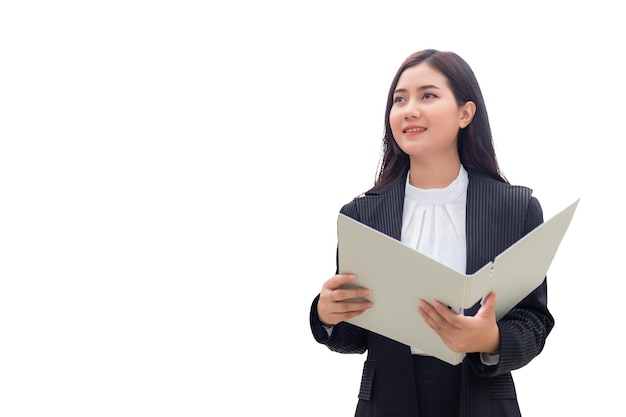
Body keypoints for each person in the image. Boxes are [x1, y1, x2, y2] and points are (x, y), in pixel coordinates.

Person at [309, 49, 554, 417]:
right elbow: (357, 336)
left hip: (482, 400)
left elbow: (533, 322)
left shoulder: (516, 209)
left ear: (465, 113)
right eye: (399, 99)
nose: (409, 109)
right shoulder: (361, 214)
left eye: (428, 95)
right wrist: (327, 315)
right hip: (387, 402)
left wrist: (490, 339)